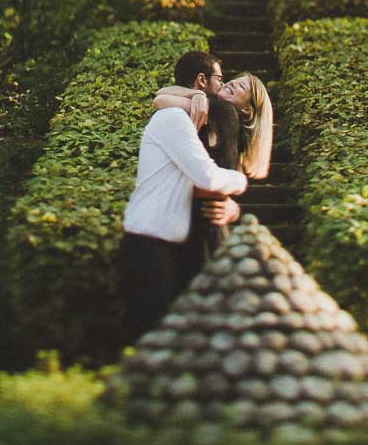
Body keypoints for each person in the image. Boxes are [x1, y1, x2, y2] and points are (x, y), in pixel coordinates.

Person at [117, 50, 248, 342]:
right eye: (220, 79)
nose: (224, 87)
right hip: (149, 246)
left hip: (166, 245)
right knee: (151, 340)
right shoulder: (174, 119)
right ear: (201, 81)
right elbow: (207, 177)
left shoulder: (184, 117)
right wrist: (239, 181)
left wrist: (232, 209)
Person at [155, 71, 273, 282]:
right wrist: (197, 96)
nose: (233, 84)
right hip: (201, 213)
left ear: (247, 109)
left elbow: (161, 98)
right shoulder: (219, 116)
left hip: (199, 216)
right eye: (234, 81)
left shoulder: (223, 113)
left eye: (242, 87)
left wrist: (197, 96)